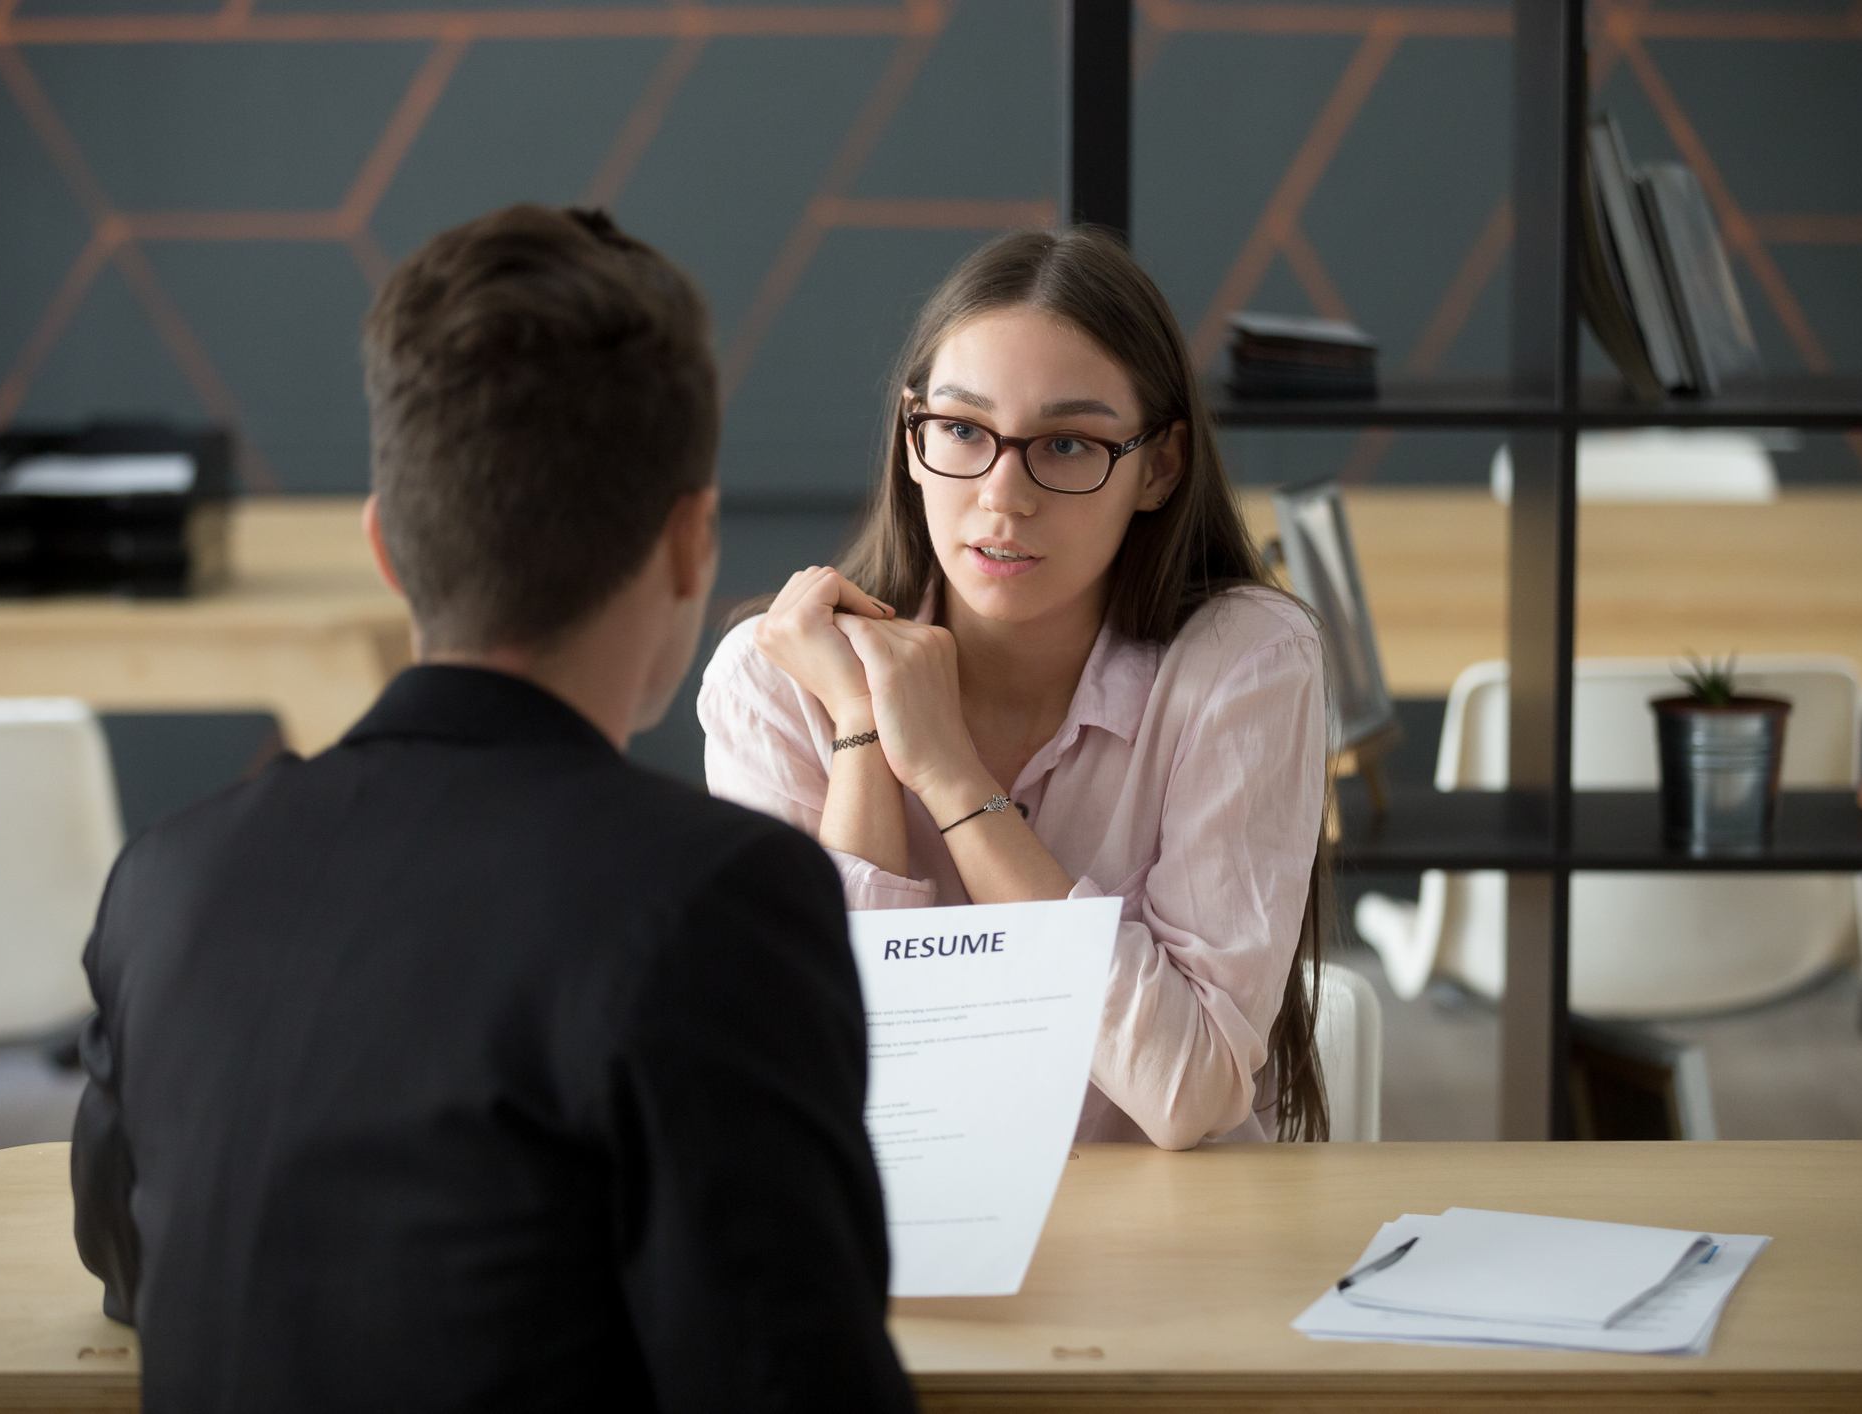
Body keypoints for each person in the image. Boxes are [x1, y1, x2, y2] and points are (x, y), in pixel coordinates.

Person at [69, 205, 913, 1413]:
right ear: (692, 545)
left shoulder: (167, 878)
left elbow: (128, 1265)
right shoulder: (714, 901)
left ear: (388, 548)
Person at [699, 227, 1334, 1151]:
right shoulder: (774, 680)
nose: (1003, 497)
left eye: (1068, 445)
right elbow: (829, 1074)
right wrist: (861, 735)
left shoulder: (1242, 661)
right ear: (913, 440)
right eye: (961, 430)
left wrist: (956, 783)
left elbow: (1190, 1089)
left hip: (1170, 1252)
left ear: (1157, 468)